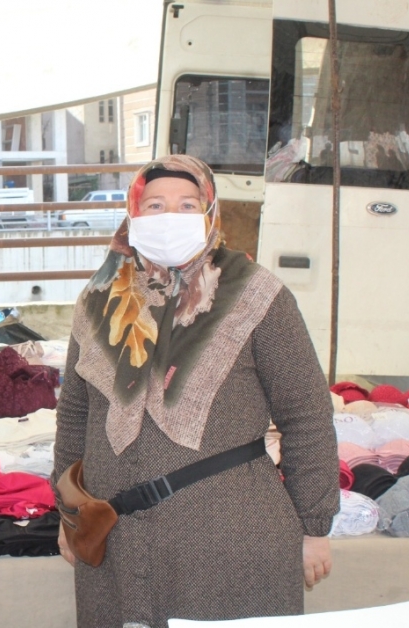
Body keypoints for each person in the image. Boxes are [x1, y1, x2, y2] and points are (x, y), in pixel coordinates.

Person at [52, 155, 339, 628]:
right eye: (155, 205)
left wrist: (314, 526)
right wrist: (68, 514)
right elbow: (75, 414)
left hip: (230, 543)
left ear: (209, 211)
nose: (171, 217)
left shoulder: (256, 296)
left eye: (187, 205)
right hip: (114, 546)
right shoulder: (99, 301)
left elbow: (306, 414)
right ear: (133, 213)